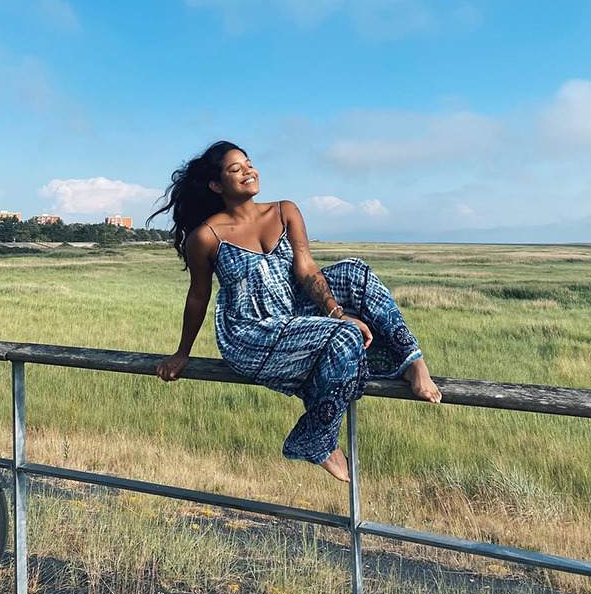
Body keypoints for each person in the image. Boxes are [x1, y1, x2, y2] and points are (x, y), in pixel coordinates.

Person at [150, 141, 441, 483]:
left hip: (293, 311)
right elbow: (198, 295)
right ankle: (316, 437)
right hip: (251, 332)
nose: (248, 171)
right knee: (345, 337)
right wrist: (182, 352)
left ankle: (412, 361)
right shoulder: (205, 237)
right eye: (235, 169)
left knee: (355, 272)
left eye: (248, 163)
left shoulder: (284, 210)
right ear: (216, 185)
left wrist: (335, 312)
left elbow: (306, 268)